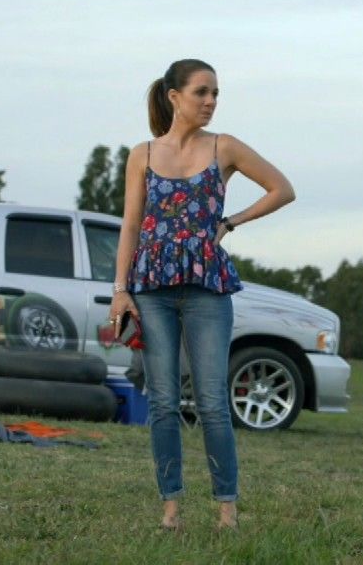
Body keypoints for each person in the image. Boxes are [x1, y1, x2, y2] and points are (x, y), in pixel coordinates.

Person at [110, 59, 295, 531]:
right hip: (152, 290)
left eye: (215, 93)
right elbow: (131, 225)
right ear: (175, 97)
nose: (211, 101)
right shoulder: (142, 154)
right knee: (163, 402)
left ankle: (226, 510)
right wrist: (120, 291)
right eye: (201, 92)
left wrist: (230, 222)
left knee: (212, 402)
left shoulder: (223, 147)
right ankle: (171, 508)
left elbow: (282, 189)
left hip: (207, 289)